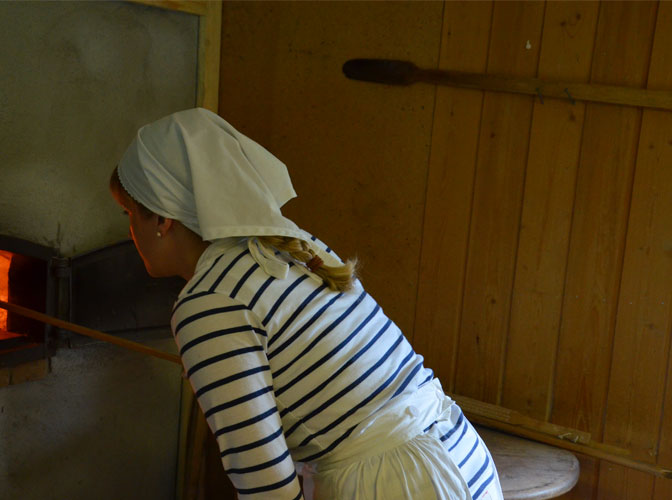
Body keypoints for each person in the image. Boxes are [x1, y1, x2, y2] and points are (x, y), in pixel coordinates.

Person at [110, 108, 501, 499]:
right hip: (458, 454)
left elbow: (267, 488)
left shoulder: (208, 303)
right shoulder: (291, 244)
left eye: (130, 214)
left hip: (398, 484)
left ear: (162, 219)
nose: (129, 232)